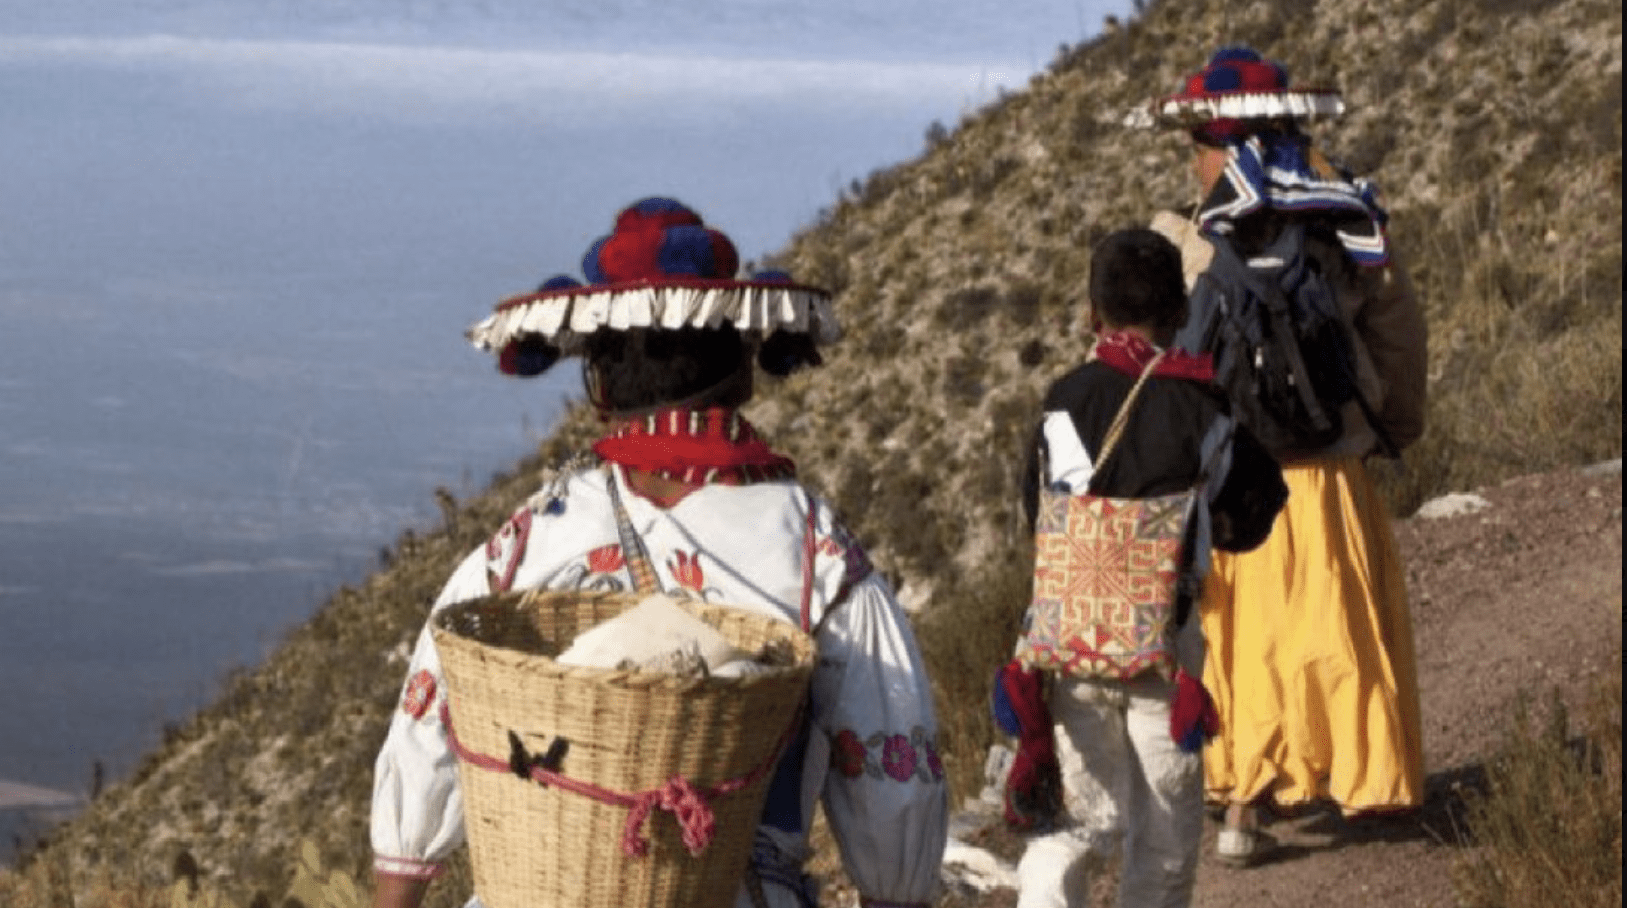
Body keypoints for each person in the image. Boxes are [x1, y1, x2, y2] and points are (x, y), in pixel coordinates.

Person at [368, 197, 950, 908]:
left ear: (602, 387)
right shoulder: (813, 550)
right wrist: (896, 887)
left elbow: (429, 727)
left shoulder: (530, 540)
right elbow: (891, 770)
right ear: (741, 370)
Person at [1144, 46, 1430, 865]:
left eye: (1199, 144)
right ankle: (1363, 775)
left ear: (1225, 146)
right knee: (1335, 628)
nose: (1193, 162)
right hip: (1330, 471)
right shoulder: (1346, 224)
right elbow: (1398, 333)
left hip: (1235, 481)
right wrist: (1393, 428)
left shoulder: (1191, 243)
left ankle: (1243, 802)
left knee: (1246, 638)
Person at [999, 229, 1286, 908]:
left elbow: (1036, 509)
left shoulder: (1063, 401)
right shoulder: (1203, 407)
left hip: (1070, 644)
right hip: (1163, 653)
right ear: (1181, 311)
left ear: (1092, 313)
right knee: (1162, 841)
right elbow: (1254, 510)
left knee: (1077, 821)